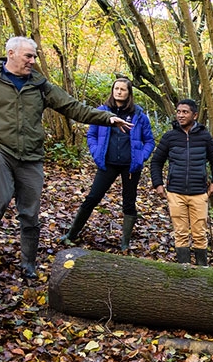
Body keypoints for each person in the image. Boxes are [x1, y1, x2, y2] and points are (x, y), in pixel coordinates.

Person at [0, 36, 133, 280]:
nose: (33, 61)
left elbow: (72, 107)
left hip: (31, 155)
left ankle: (28, 263)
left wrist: (107, 118)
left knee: (30, 210)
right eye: (28, 56)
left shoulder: (39, 84)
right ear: (11, 53)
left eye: (34, 56)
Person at [61, 78, 155, 250]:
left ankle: (125, 243)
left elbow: (149, 141)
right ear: (112, 91)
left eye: (123, 89)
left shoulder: (138, 115)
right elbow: (91, 135)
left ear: (129, 93)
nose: (119, 92)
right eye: (116, 89)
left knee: (129, 203)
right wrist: (96, 153)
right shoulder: (102, 111)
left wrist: (141, 157)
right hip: (107, 164)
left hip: (130, 166)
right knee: (92, 198)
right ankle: (71, 234)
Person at [149, 99, 213, 266]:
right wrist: (158, 184)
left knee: (199, 234)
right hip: (175, 192)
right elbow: (156, 162)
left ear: (194, 115)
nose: (180, 115)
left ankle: (202, 272)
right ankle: (184, 273)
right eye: (179, 112)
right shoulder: (170, 137)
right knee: (181, 233)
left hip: (199, 193)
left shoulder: (205, 137)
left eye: (185, 112)